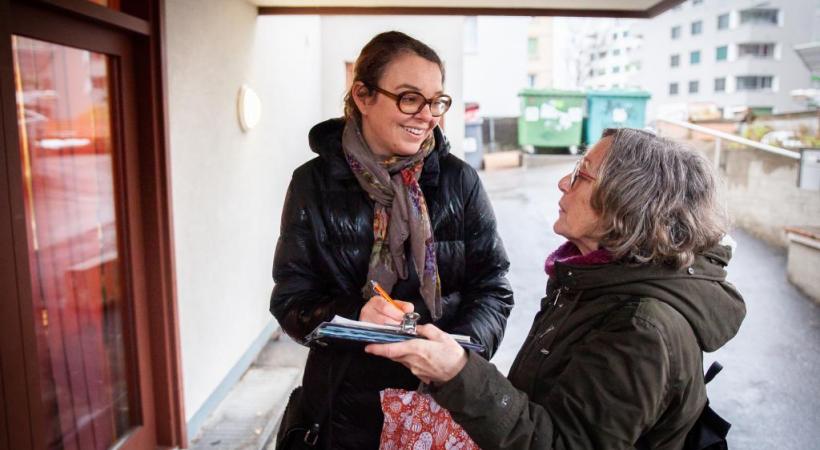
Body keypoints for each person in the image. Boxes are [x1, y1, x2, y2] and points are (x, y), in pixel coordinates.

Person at [367, 128, 747, 449]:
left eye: (582, 174)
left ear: (627, 203)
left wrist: (458, 373)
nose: (564, 181)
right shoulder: (593, 279)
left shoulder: (641, 327)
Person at [269, 31, 513, 449]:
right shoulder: (312, 183)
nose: (426, 115)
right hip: (344, 409)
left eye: (436, 101)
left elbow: (493, 287)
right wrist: (356, 314)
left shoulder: (459, 181)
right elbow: (292, 300)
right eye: (409, 97)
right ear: (362, 95)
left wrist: (455, 357)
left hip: (443, 400)